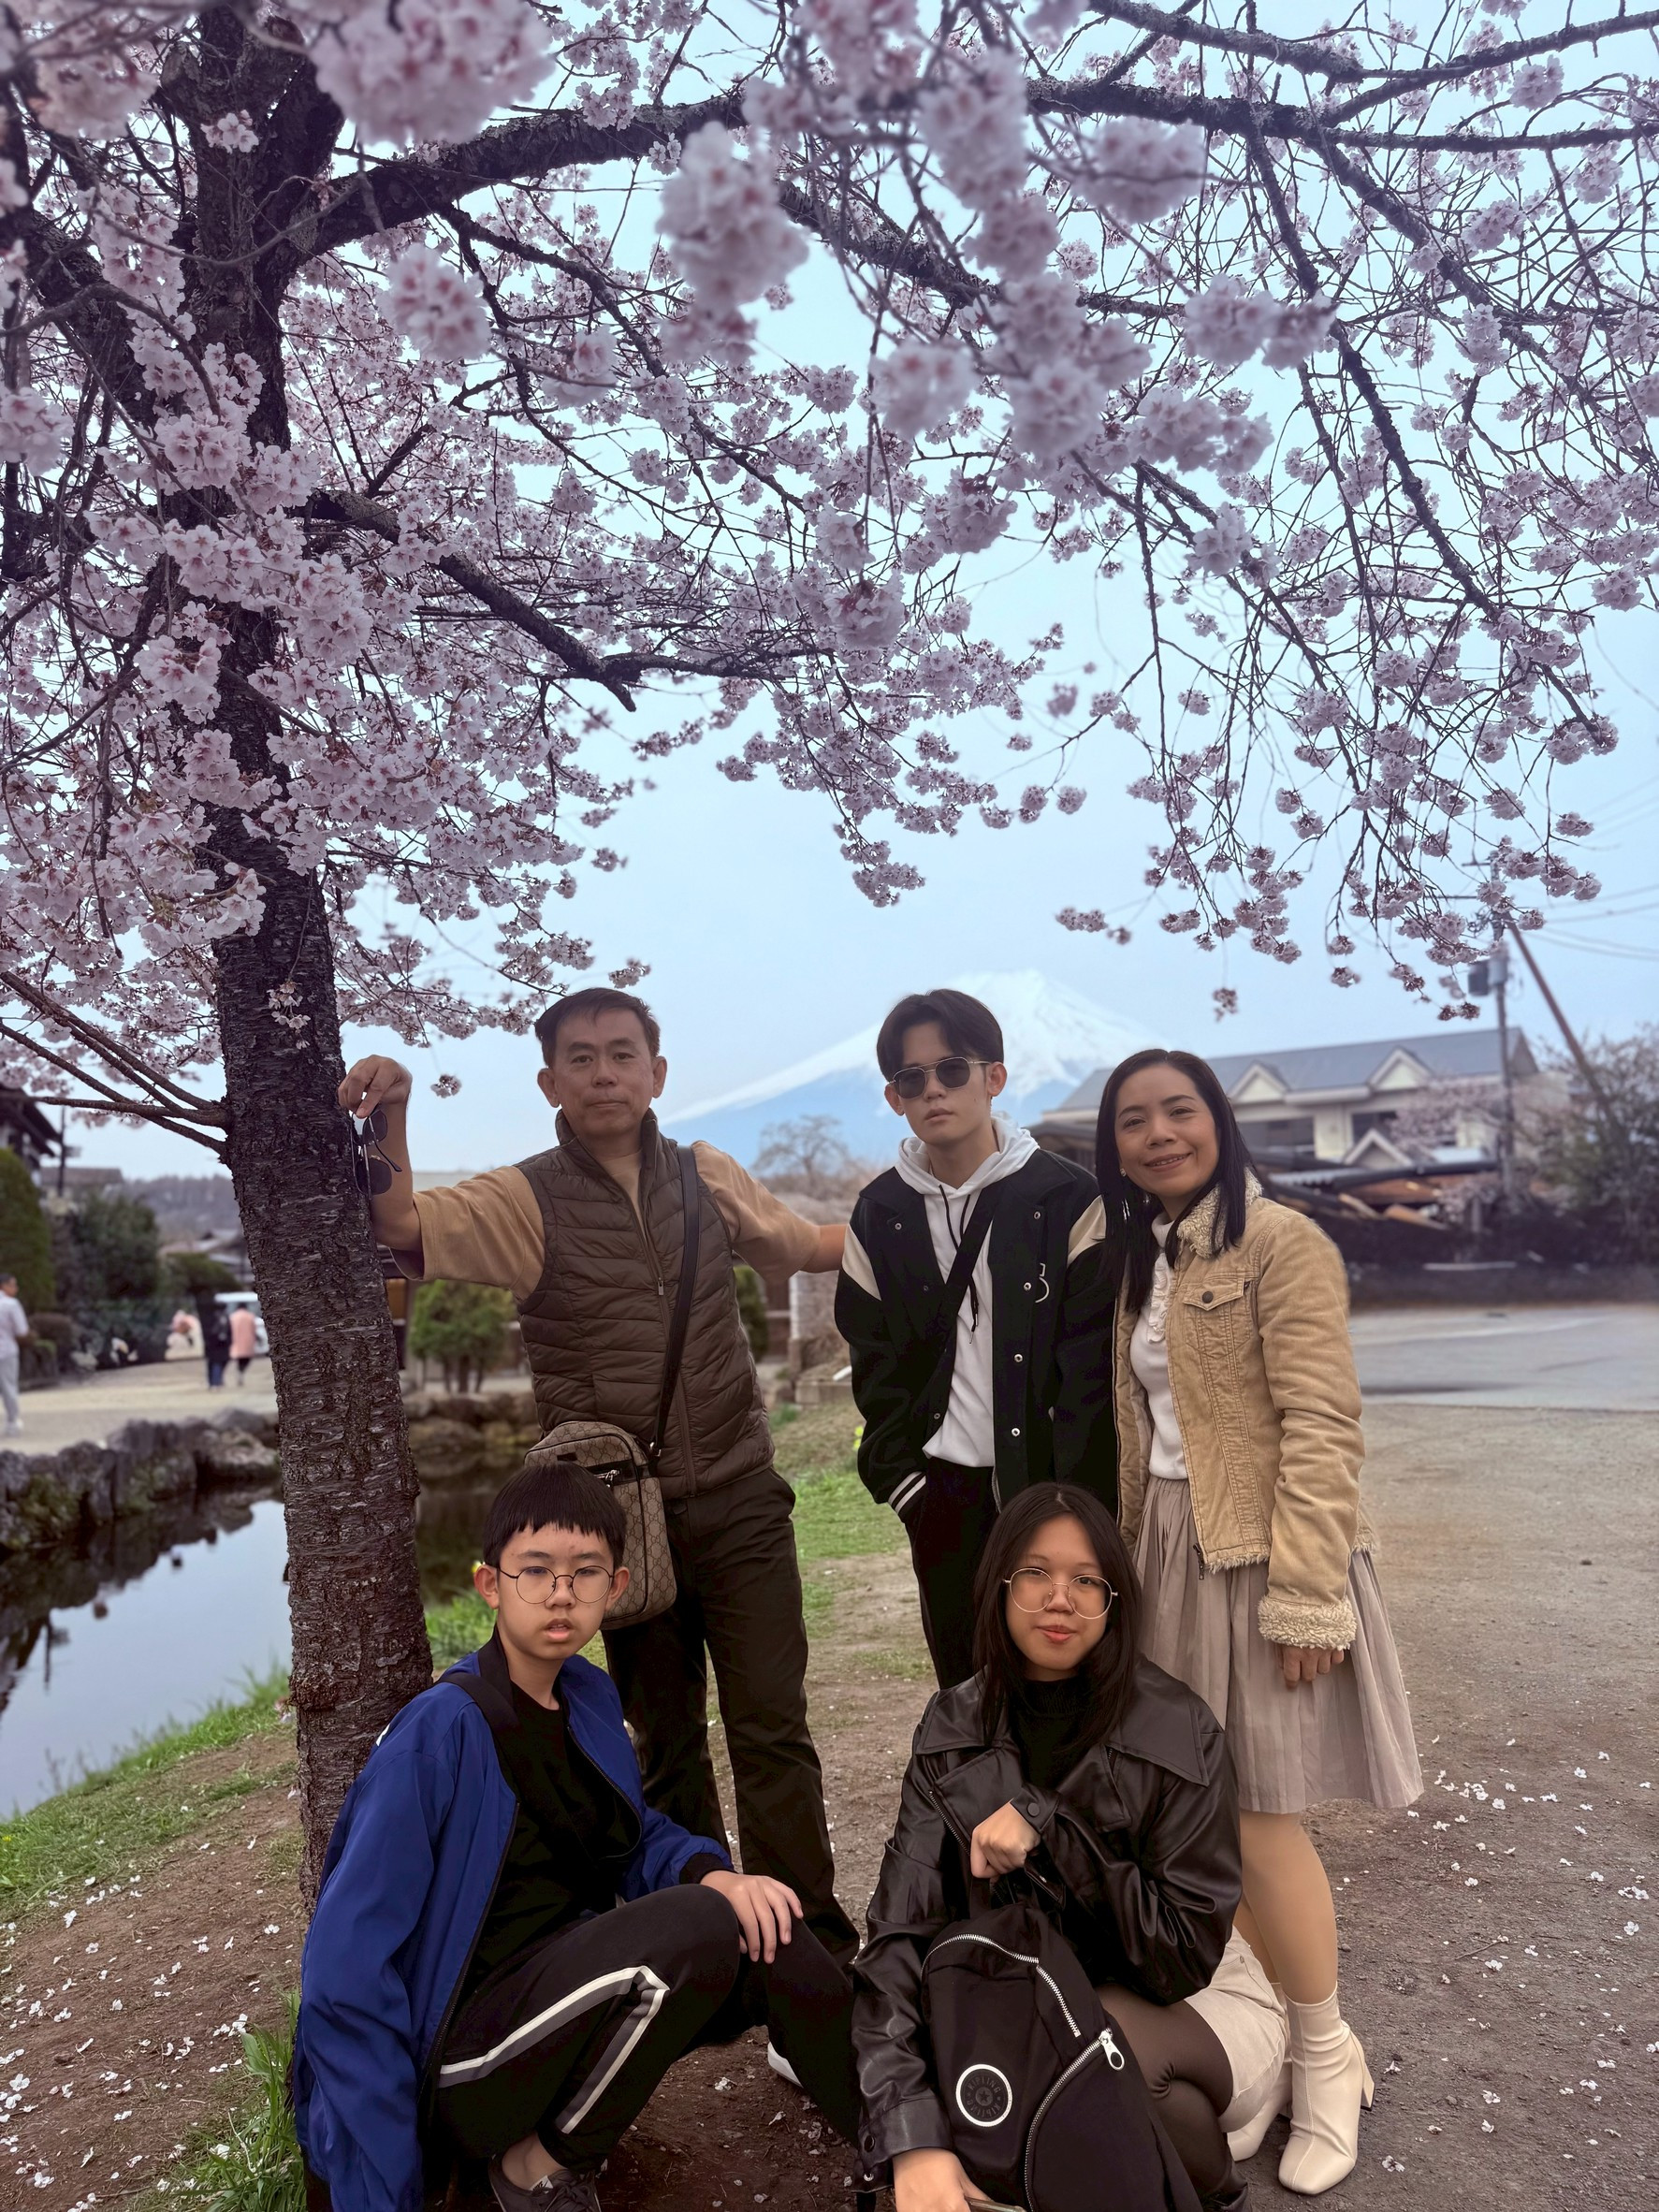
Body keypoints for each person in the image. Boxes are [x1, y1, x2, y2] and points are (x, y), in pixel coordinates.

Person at [338, 987, 858, 1961]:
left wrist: (935, 1219)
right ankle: (710, 1948)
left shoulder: (707, 1174)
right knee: (664, 1743)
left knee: (773, 1727)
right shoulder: (523, 1198)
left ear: (657, 1073)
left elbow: (802, 1245)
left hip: (741, 1494)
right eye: (580, 1059)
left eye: (623, 1054)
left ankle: (809, 1950)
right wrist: (395, 1110)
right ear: (550, 1084)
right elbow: (400, 1224)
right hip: (622, 1522)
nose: (604, 1074)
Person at [293, 1458, 864, 2212]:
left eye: (585, 1572)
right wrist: (387, 2187)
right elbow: (344, 1974)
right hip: (457, 2068)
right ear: (489, 1584)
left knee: (768, 1923)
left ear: (615, 1588)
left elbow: (631, 1838)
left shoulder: (588, 1697)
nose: (560, 1593)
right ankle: (533, 2173)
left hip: (560, 2011)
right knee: (699, 1923)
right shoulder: (437, 1735)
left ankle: (913, 2148)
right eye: (535, 1570)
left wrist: (716, 1873)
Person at [1084, 1049, 1421, 2196]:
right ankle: (1277, 2039)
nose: (1159, 1134)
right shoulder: (1145, 1254)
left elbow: (1324, 1421)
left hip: (1262, 1551)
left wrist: (1309, 1591)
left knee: (1263, 1821)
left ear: (1220, 1122)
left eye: (1179, 1111)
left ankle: (1329, 2057)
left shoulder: (1282, 1241)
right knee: (1202, 1822)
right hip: (1168, 1554)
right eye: (1134, 1120)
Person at [852, 1482, 1247, 2212]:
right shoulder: (951, 1725)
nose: (1058, 1599)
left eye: (1085, 1580)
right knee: (951, 2084)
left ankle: (1212, 2187)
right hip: (1021, 1989)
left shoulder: (1179, 1728)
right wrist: (912, 2138)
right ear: (1000, 1586)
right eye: (1034, 1572)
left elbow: (1182, 1957)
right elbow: (898, 1938)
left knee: (1100, 2054)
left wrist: (1054, 1832)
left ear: (1113, 1600)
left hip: (1184, 2004)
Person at [837, 988, 1115, 1688]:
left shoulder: (1068, 1199)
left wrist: (1079, 1501)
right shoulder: (880, 1214)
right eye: (912, 1079)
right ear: (895, 1098)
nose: (933, 1090)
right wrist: (909, 1491)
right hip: (943, 1498)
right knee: (965, 1689)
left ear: (994, 1077)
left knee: (1067, 1683)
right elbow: (874, 1365)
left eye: (952, 1069)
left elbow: (1091, 1370)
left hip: (1051, 1491)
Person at [0, 1273, 30, 1434]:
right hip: (6, 1350)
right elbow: (22, 1330)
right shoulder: (11, 1304)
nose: (16, 1289)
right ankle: (12, 1422)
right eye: (13, 1285)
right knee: (8, 1387)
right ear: (4, 1286)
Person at [196, 1291, 230, 1389]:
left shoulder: (213, 1317)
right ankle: (215, 1381)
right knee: (216, 1363)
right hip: (217, 1344)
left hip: (214, 1343)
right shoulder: (220, 1317)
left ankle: (214, 1381)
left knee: (214, 1363)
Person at [227, 1300, 259, 1382]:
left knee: (239, 1358)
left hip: (236, 1340)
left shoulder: (233, 1317)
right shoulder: (250, 1316)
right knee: (247, 1358)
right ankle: (241, 1370)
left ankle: (239, 1370)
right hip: (248, 1341)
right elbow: (254, 1329)